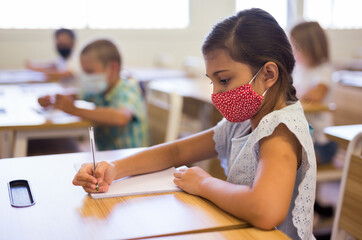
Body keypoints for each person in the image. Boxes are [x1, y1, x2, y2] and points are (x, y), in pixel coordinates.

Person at [73, 9, 316, 240]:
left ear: (268, 75)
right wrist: (115, 168)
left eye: (224, 80)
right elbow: (176, 151)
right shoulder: (243, 122)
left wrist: (204, 183)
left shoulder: (280, 130)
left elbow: (265, 210)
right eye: (213, 82)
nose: (216, 93)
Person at [38, 39, 148, 150]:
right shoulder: (99, 90)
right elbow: (75, 95)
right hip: (107, 157)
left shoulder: (128, 88)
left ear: (113, 67)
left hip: (129, 158)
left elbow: (121, 117)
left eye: (90, 71)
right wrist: (53, 99)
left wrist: (74, 110)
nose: (86, 77)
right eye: (84, 72)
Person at [290, 21, 338, 165]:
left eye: (297, 48)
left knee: (291, 160)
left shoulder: (323, 70)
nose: (293, 52)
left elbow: (317, 95)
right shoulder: (299, 69)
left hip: (321, 142)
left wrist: (293, 92)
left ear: (311, 48)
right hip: (304, 136)